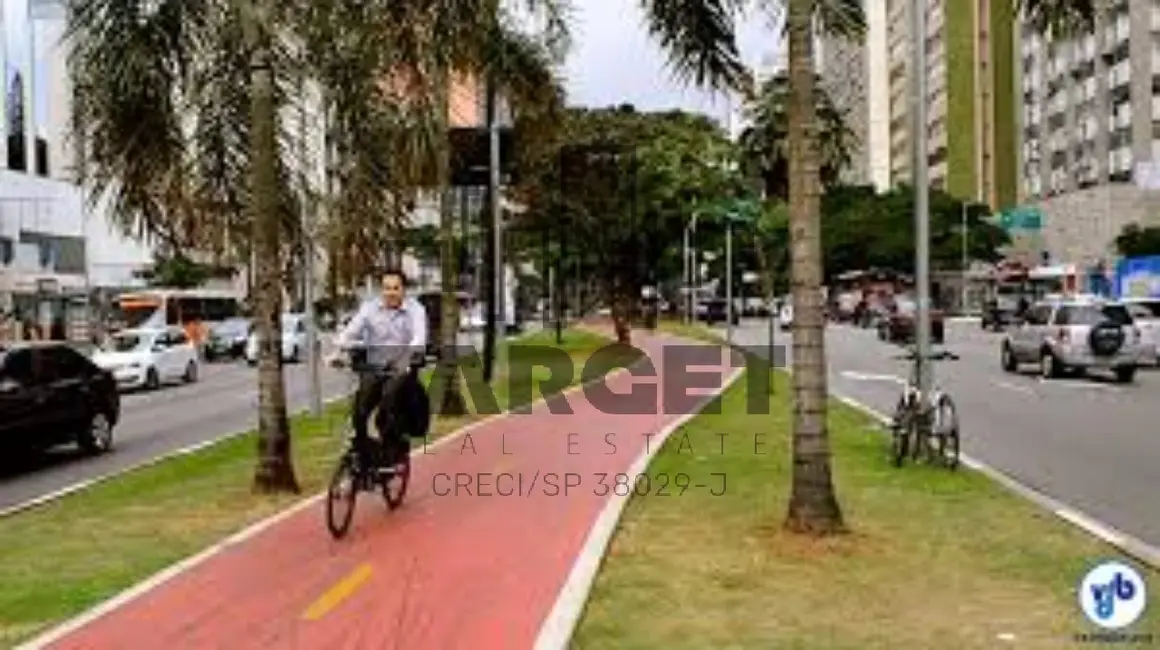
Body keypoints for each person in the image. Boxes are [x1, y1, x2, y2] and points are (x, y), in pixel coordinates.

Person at [328, 268, 428, 468]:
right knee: (360, 409)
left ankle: (392, 448)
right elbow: (351, 332)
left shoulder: (415, 310)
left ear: (403, 291)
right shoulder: (369, 308)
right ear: (380, 290)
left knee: (389, 400)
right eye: (386, 288)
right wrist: (338, 352)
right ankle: (364, 450)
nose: (391, 293)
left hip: (402, 368)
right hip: (375, 367)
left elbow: (419, 339)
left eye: (395, 288)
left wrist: (407, 358)